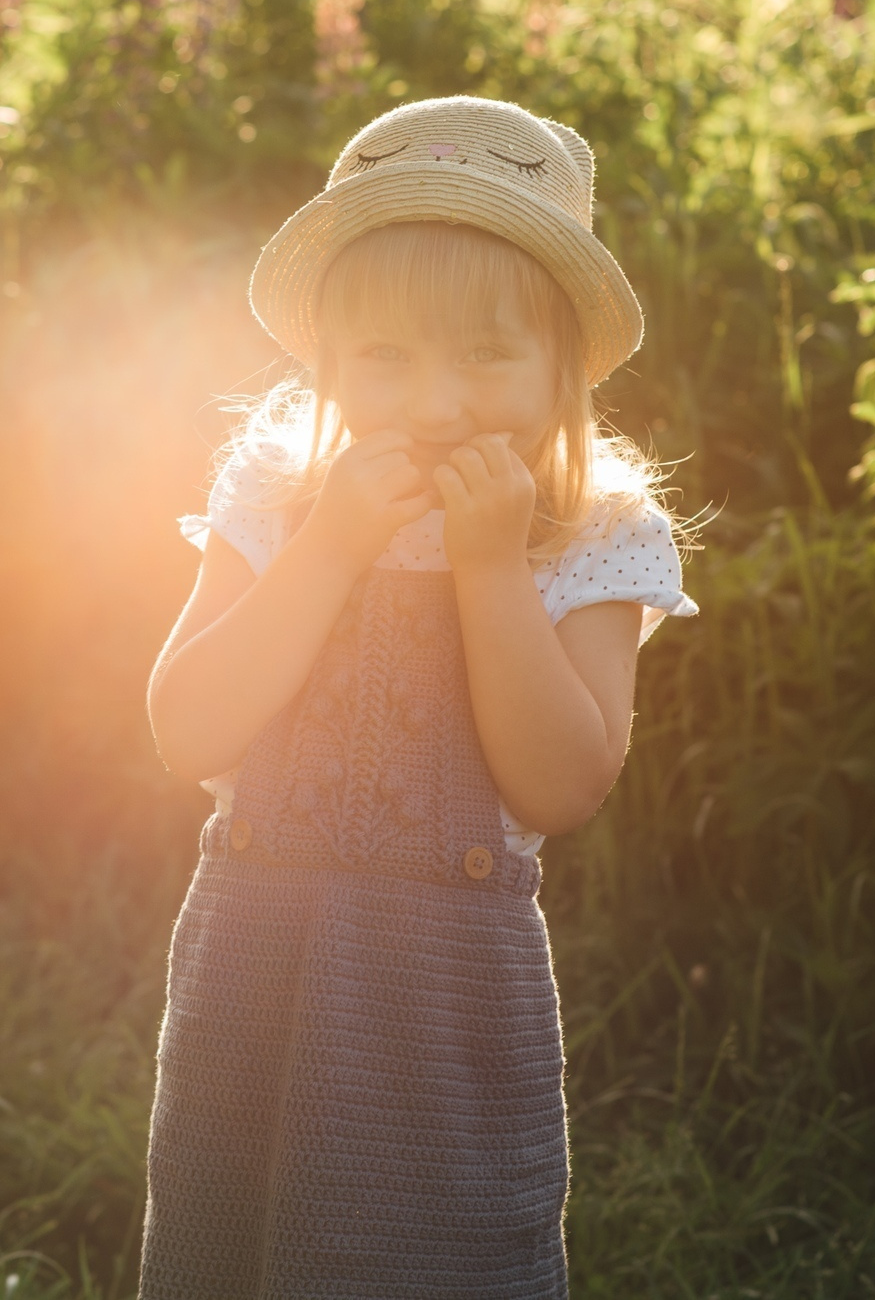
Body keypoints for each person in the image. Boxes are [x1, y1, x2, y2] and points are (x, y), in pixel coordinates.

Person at [139, 95, 696, 1298]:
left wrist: (489, 567)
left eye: (486, 355)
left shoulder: (593, 533)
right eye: (385, 357)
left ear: (563, 362)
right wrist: (329, 547)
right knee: (230, 1239)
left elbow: (560, 782)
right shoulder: (279, 497)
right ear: (330, 362)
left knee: (438, 1258)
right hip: (254, 974)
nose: (435, 403)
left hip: (445, 1001)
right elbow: (189, 729)